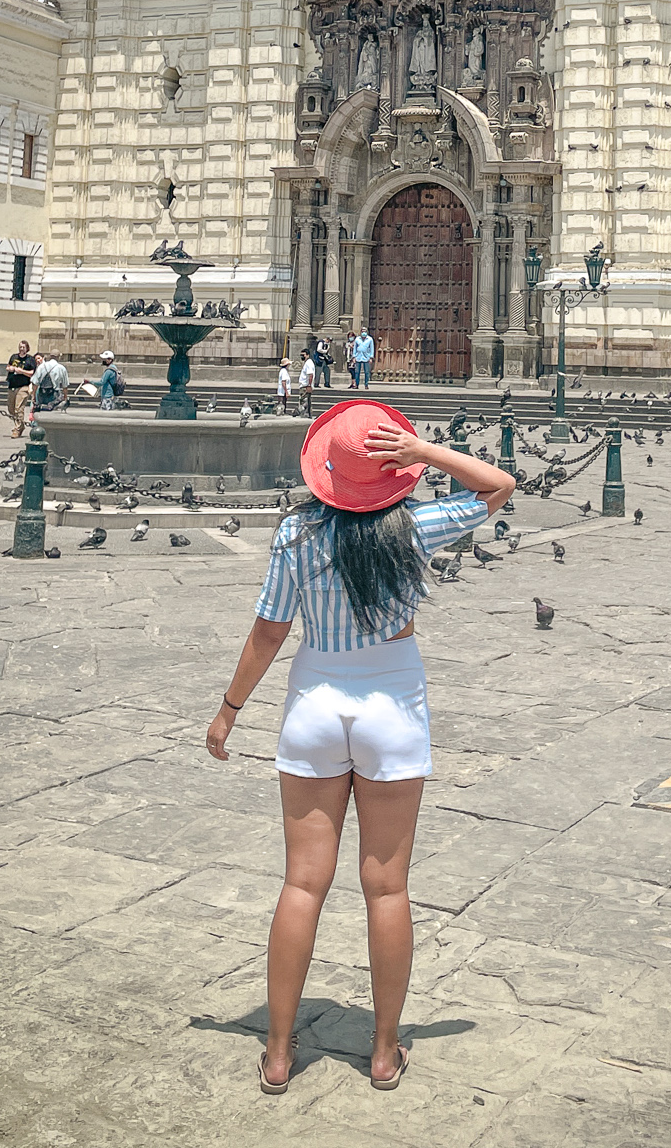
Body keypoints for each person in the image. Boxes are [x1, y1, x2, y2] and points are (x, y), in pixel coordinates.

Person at [206, 401, 515, 1094]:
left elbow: (267, 633)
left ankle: (280, 1053)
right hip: (392, 710)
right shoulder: (413, 529)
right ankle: (381, 1053)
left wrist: (228, 712)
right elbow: (498, 486)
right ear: (391, 472)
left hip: (315, 706)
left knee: (301, 884)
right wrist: (424, 450)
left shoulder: (294, 533)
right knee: (387, 888)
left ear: (325, 473)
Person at [6, 341, 35, 436]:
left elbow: (32, 372)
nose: (21, 349)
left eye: (23, 347)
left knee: (19, 408)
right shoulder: (14, 357)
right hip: (12, 385)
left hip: (24, 386)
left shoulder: (30, 359)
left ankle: (17, 429)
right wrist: (10, 368)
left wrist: (22, 371)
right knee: (11, 409)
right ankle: (20, 424)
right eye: (20, 347)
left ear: (27, 348)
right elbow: (8, 366)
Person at [351, 327, 374, 392]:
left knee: (367, 372)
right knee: (357, 372)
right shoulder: (357, 339)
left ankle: (366, 384)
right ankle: (357, 384)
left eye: (365, 331)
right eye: (362, 331)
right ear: (360, 332)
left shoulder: (370, 339)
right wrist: (354, 357)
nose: (364, 332)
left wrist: (371, 357)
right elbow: (355, 348)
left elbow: (371, 348)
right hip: (358, 357)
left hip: (366, 357)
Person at [297, 348, 318, 418]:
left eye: (303, 355)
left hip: (305, 386)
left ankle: (305, 415)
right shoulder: (307, 363)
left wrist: (309, 385)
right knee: (306, 401)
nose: (302, 357)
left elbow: (310, 375)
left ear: (308, 355)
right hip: (304, 385)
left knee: (304, 401)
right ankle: (307, 414)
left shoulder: (309, 363)